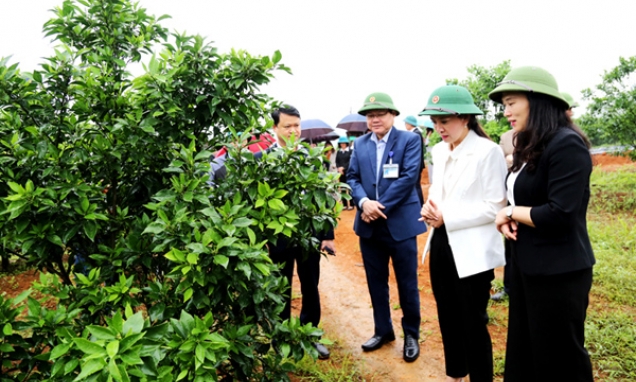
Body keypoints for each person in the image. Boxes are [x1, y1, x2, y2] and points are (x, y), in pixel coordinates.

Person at [489, 66, 595, 382]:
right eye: (504, 105)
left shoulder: (566, 144)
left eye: (511, 102)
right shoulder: (530, 145)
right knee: (527, 349)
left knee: (561, 357)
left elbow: (560, 213)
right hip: (526, 266)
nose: (506, 111)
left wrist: (509, 213)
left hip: (559, 273)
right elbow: (519, 197)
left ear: (537, 101)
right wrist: (505, 212)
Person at [419, 85, 507, 382]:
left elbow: (496, 205)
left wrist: (448, 216)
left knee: (473, 321)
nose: (439, 128)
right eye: (434, 121)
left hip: (473, 250)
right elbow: (437, 191)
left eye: (445, 121)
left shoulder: (487, 151)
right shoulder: (439, 150)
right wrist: (430, 209)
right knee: (447, 316)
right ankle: (456, 373)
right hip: (441, 241)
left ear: (466, 118)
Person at [347, 92, 427, 362]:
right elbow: (353, 177)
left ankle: (411, 334)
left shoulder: (410, 140)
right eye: (370, 115)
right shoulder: (359, 144)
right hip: (369, 226)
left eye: (380, 113)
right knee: (376, 282)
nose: (375, 119)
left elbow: (408, 178)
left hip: (399, 224)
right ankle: (383, 331)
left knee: (407, 283)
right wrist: (363, 202)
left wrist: (378, 207)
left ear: (393, 115)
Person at [491, 128, 515, 301]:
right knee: (510, 245)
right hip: (510, 196)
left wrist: (513, 159)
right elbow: (501, 162)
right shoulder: (506, 137)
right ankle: (509, 287)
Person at [404, 115, 426, 204]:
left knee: (416, 185)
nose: (405, 126)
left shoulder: (415, 134)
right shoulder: (417, 133)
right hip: (417, 164)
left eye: (406, 123)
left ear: (409, 124)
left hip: (416, 164)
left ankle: (420, 204)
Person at [335, 136, 353, 210]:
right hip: (341, 173)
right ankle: (345, 204)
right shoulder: (339, 152)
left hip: (348, 172)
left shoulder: (350, 151)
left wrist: (343, 168)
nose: (342, 144)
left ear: (346, 143)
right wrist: (339, 168)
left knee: (350, 187)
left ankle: (351, 204)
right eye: (341, 143)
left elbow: (350, 161)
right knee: (342, 188)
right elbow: (337, 161)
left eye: (344, 143)